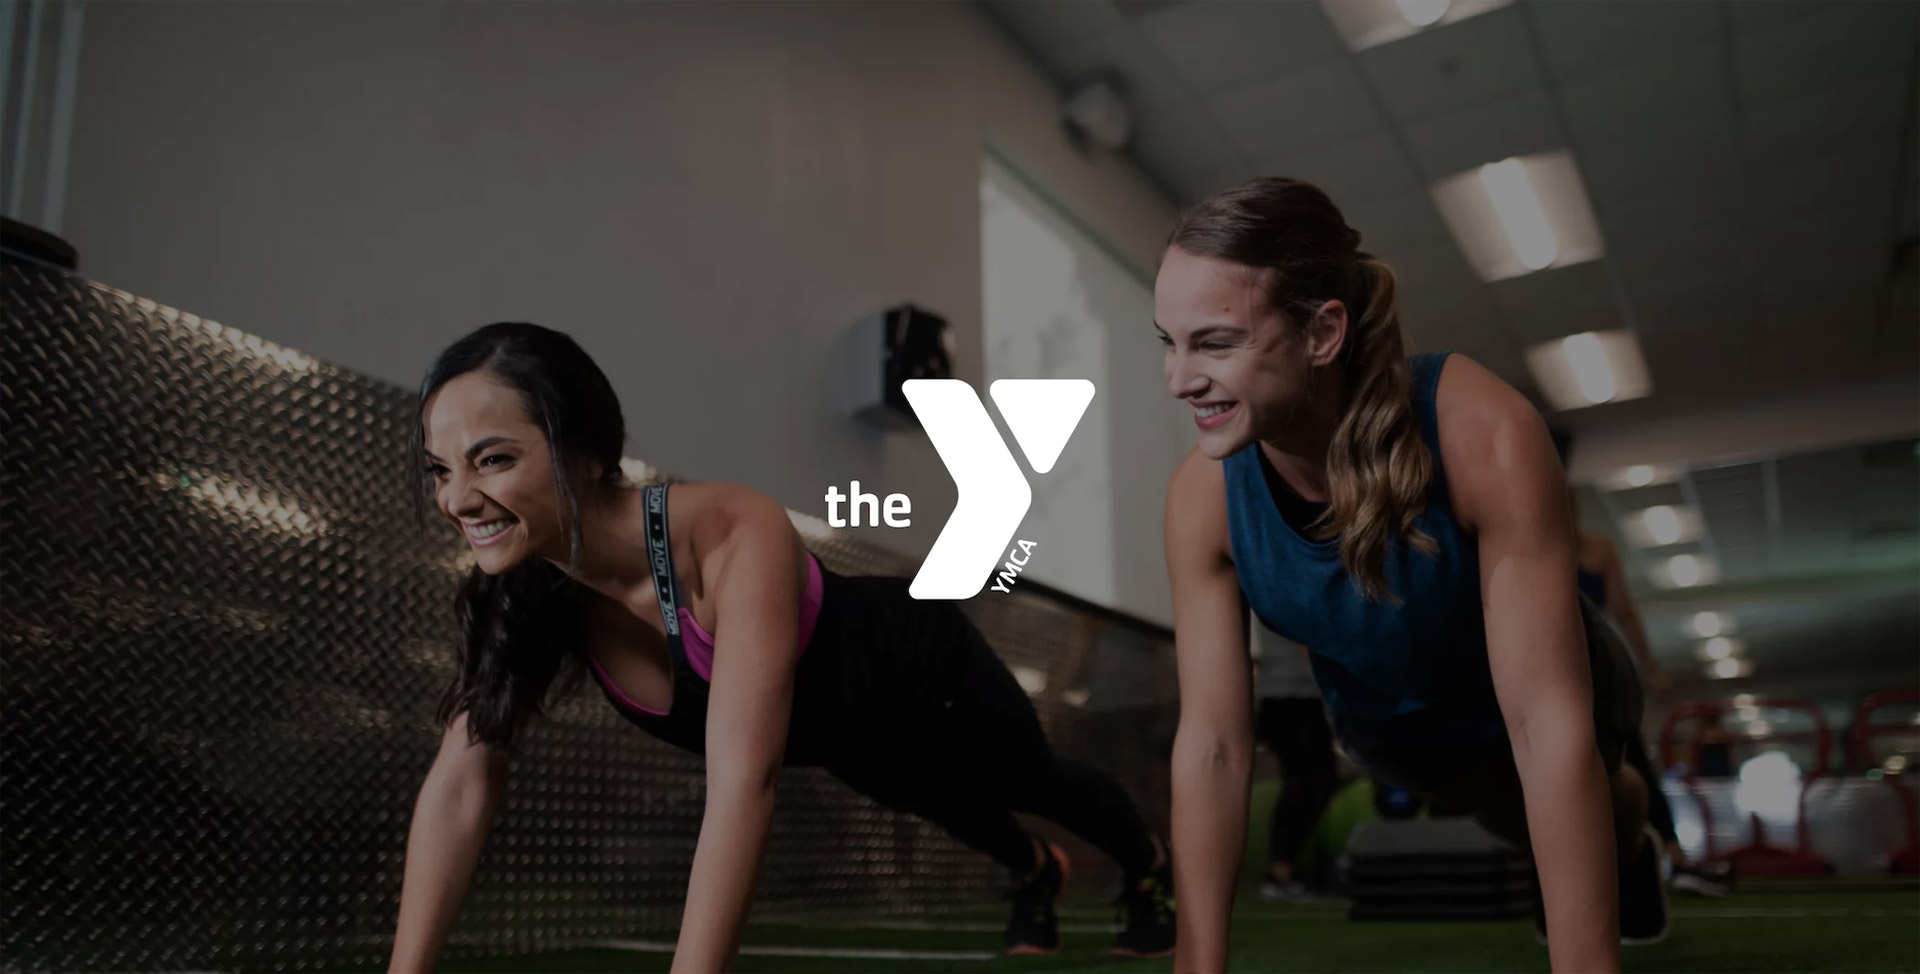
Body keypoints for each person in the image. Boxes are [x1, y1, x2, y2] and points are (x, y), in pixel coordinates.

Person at [387, 322, 1175, 972]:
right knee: (943, 804)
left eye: (493, 459)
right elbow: (461, 786)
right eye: (439, 469)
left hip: (922, 663)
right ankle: (1036, 871)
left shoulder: (731, 532)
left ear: (587, 450)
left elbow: (743, 784)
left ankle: (1146, 867)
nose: (457, 498)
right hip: (841, 733)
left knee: (1025, 776)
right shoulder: (527, 592)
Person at [1154, 178, 1667, 973]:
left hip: (1563, 689)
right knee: (1509, 817)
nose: (1179, 379)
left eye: (1215, 343)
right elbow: (1215, 747)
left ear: (1322, 332)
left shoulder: (1481, 430)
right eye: (1169, 342)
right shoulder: (1202, 497)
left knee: (1584, 799)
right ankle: (1606, 821)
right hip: (1396, 727)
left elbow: (1544, 721)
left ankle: (1629, 830)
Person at [1567, 492, 1730, 897]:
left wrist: (1651, 667)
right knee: (1589, 767)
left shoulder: (1593, 548)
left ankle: (1672, 857)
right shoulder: (1575, 547)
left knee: (1626, 761)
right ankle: (1651, 860)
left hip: (1589, 671)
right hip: (1565, 673)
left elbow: (1624, 612)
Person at [1250, 618, 1338, 901]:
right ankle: (1280, 872)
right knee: (1304, 784)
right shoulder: (1287, 581)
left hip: (1300, 698)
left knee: (1313, 784)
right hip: (1289, 700)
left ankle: (1285, 869)